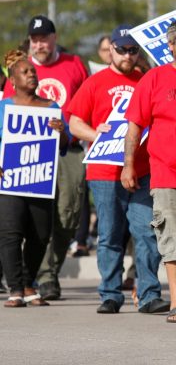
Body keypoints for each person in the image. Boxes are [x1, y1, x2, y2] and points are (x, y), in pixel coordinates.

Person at [68, 25, 168, 315]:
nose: (127, 54)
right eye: (122, 49)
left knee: (146, 233)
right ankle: (110, 294)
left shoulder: (148, 80)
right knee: (110, 235)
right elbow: (75, 123)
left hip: (142, 169)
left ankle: (148, 294)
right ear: (110, 49)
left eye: (133, 49)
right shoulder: (95, 82)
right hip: (104, 173)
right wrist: (95, 133)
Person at [121, 18, 176, 323]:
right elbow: (134, 127)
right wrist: (129, 165)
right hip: (165, 174)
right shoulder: (154, 79)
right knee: (172, 238)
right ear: (170, 46)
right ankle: (174, 301)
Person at [3, 16, 90, 302]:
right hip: (14, 171)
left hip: (54, 164)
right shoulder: (9, 94)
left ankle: (39, 277)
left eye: (44, 37)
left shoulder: (68, 74)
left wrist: (66, 132)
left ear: (53, 38)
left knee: (52, 225)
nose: (39, 43)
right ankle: (23, 285)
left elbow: (72, 130)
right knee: (13, 230)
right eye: (34, 39)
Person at [0, 50, 68, 308]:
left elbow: (64, 145)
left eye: (33, 71)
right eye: (25, 72)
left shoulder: (51, 108)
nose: (32, 74)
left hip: (41, 180)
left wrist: (61, 131)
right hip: (10, 181)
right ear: (13, 80)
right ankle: (16, 288)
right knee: (10, 234)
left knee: (40, 235)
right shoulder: (3, 108)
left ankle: (30, 283)